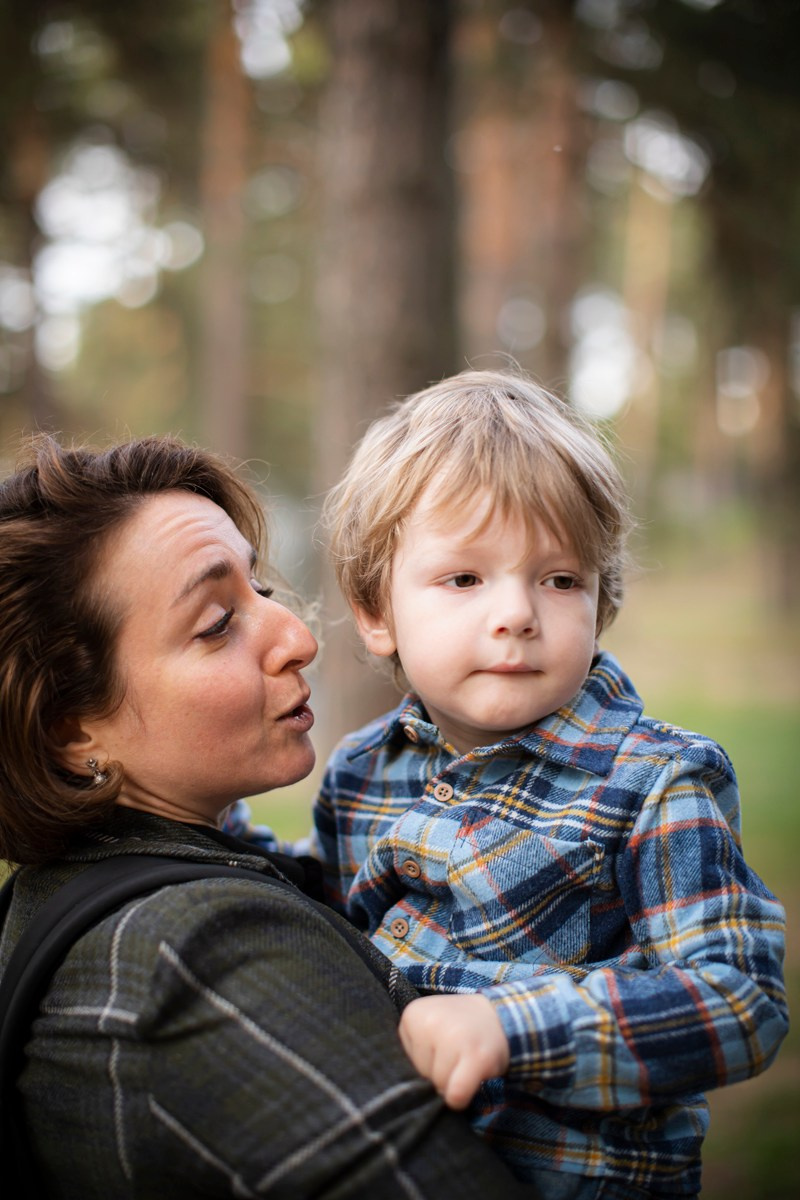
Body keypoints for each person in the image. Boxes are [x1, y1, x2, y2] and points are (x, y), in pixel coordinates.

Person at [0, 434, 539, 1200]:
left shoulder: (60, 892)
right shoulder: (197, 952)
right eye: (217, 622)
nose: (300, 638)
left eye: (261, 589)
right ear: (71, 729)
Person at [302, 369, 788, 1199]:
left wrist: (511, 1028)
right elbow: (325, 919)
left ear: (601, 602)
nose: (517, 614)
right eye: (465, 579)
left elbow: (740, 998)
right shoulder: (362, 773)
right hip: (399, 1168)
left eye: (560, 579)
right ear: (376, 612)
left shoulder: (653, 780)